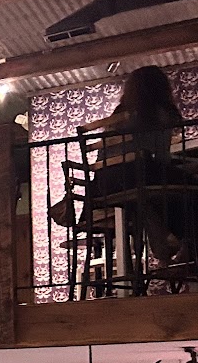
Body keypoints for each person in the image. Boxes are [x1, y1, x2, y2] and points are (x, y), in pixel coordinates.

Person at [81, 65, 196, 264]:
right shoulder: (158, 113)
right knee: (189, 187)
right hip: (135, 175)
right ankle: (184, 244)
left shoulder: (119, 114)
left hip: (103, 183)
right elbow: (160, 158)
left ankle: (168, 242)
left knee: (157, 193)